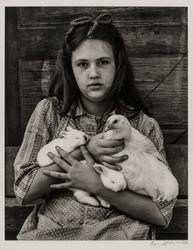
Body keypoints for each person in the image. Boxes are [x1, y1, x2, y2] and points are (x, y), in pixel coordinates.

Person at [14, 12, 177, 240]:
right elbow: (23, 190)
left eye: (103, 62)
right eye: (82, 64)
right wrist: (86, 150)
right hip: (57, 230)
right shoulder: (50, 112)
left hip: (120, 232)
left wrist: (98, 186)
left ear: (117, 65)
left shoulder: (142, 126)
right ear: (70, 69)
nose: (93, 73)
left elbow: (162, 214)